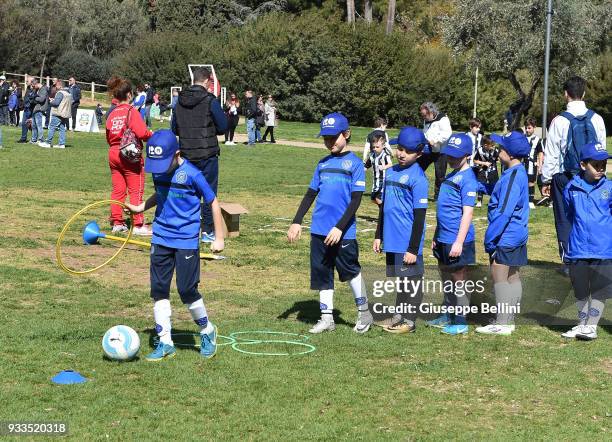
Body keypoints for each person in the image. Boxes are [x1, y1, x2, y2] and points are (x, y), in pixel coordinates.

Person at [125, 129, 224, 361]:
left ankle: (207, 330)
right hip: (160, 236)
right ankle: (165, 341)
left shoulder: (192, 174)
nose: (159, 169)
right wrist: (142, 207)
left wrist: (219, 237)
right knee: (159, 290)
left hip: (186, 239)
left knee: (187, 290)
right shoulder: (159, 169)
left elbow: (213, 201)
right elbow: (161, 193)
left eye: (163, 163)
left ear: (177, 154)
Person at [287, 112, 372, 334]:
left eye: (334, 137)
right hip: (319, 230)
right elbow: (310, 194)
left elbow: (355, 201)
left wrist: (339, 227)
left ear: (347, 134)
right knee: (322, 273)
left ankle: (365, 314)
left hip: (343, 232)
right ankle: (327, 319)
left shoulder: (354, 164)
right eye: (325, 138)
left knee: (350, 271)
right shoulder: (322, 164)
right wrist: (297, 221)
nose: (329, 142)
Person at [541, 76, 606, 272]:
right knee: (590, 217)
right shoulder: (597, 118)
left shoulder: (559, 120)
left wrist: (545, 180)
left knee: (565, 219)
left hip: (565, 178)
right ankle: (593, 261)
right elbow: (600, 149)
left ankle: (570, 262)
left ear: (565, 94)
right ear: (584, 93)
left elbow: (552, 154)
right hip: (591, 175)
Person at [373, 127, 429, 334]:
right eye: (400, 149)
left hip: (408, 242)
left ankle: (410, 321)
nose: (401, 154)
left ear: (419, 153)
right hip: (392, 239)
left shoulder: (419, 179)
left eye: (407, 151)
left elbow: (420, 217)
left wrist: (413, 248)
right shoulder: (391, 172)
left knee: (412, 282)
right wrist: (378, 235)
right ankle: (398, 315)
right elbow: (384, 206)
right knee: (401, 280)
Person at [476, 131, 530, 336]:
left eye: (502, 147)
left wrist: (491, 238)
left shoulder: (513, 177)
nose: (498, 150)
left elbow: (504, 211)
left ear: (511, 153)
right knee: (513, 275)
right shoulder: (516, 172)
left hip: (506, 234)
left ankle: (503, 322)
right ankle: (509, 318)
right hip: (518, 233)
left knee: (500, 277)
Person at [428, 133, 478, 335]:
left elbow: (468, 213)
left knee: (459, 279)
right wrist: (436, 236)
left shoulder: (468, 179)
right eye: (449, 155)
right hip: (443, 238)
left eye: (456, 156)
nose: (451, 159)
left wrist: (459, 242)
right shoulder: (450, 176)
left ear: (467, 155)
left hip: (458, 241)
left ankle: (461, 319)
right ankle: (448, 313)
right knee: (446, 277)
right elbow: (442, 211)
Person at [560, 142, 611, 341]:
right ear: (583, 165)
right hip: (578, 248)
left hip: (603, 249)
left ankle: (592, 326)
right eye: (595, 165)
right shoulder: (572, 187)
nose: (600, 169)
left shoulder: (609, 187)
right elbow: (569, 214)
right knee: (580, 289)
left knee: (600, 290)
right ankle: (581, 324)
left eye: (603, 165)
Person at [172, 66, 227, 243]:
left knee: (188, 190)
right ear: (206, 81)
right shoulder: (210, 101)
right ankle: (207, 231)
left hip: (186, 153)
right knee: (208, 192)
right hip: (207, 153)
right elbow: (223, 127)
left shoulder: (179, 101)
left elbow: (174, 128)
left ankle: (188, 226)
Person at [105, 76, 153, 236]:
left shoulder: (112, 113)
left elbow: (108, 136)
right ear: (130, 95)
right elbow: (141, 132)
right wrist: (151, 134)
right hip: (129, 154)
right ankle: (138, 224)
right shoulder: (131, 111)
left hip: (113, 153)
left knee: (118, 190)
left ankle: (117, 222)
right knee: (136, 189)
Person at [417, 102, 452, 200]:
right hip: (428, 150)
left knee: (440, 175)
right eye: (422, 115)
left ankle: (438, 196)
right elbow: (425, 132)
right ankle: (415, 188)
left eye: (425, 115)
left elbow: (447, 133)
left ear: (431, 112)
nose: (423, 117)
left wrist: (436, 140)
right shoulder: (426, 121)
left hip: (441, 151)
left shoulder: (443, 119)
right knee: (418, 168)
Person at [40, 79, 72, 149]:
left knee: (52, 127)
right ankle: (62, 144)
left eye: (57, 85)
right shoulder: (68, 94)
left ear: (60, 86)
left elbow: (56, 103)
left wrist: (51, 101)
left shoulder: (60, 93)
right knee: (62, 128)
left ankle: (48, 142)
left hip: (58, 113)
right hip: (64, 113)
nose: (55, 86)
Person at [364, 132, 393, 205]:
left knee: (378, 198)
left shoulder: (385, 155)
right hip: (375, 180)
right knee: (373, 199)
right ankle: (383, 209)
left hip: (383, 180)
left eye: (377, 147)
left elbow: (390, 164)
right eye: (373, 147)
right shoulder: (372, 156)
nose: (375, 149)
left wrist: (384, 167)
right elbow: (366, 166)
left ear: (383, 146)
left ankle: (383, 213)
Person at [473, 135, 499, 207]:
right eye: (491, 145)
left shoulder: (495, 150)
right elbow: (475, 160)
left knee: (494, 185)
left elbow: (498, 158)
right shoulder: (479, 150)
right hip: (482, 170)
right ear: (485, 145)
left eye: (493, 145)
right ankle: (479, 201)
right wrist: (484, 163)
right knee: (481, 184)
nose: (492, 146)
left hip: (493, 171)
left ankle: (494, 200)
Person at [523, 117, 543, 209]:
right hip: (522, 164)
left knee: (531, 182)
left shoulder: (537, 139)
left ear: (534, 127)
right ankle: (522, 200)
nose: (527, 130)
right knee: (522, 182)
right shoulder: (522, 138)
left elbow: (540, 152)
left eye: (529, 128)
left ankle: (531, 201)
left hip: (532, 164)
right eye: (526, 127)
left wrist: (540, 164)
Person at [17, 76, 36, 143]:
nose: (26, 82)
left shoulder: (35, 89)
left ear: (31, 82)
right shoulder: (28, 88)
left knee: (31, 125)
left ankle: (35, 138)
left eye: (27, 81)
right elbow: (26, 98)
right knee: (24, 124)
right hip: (26, 108)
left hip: (31, 109)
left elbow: (33, 99)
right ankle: (23, 138)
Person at [31, 80, 49, 146]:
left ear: (36, 84)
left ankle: (40, 139)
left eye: (33, 86)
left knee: (39, 125)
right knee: (34, 125)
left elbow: (42, 99)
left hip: (40, 109)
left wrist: (35, 97)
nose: (33, 87)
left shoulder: (43, 89)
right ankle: (33, 139)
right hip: (36, 109)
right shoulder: (38, 89)